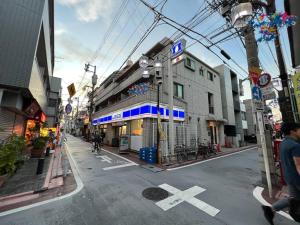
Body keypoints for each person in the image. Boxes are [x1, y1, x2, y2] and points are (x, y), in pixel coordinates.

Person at [262, 122, 300, 225]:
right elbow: (298, 165)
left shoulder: (283, 143)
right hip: (297, 178)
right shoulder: (295, 145)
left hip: (289, 177)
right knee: (295, 199)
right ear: (292, 131)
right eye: (299, 129)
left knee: (294, 198)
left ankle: (271, 210)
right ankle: (293, 213)